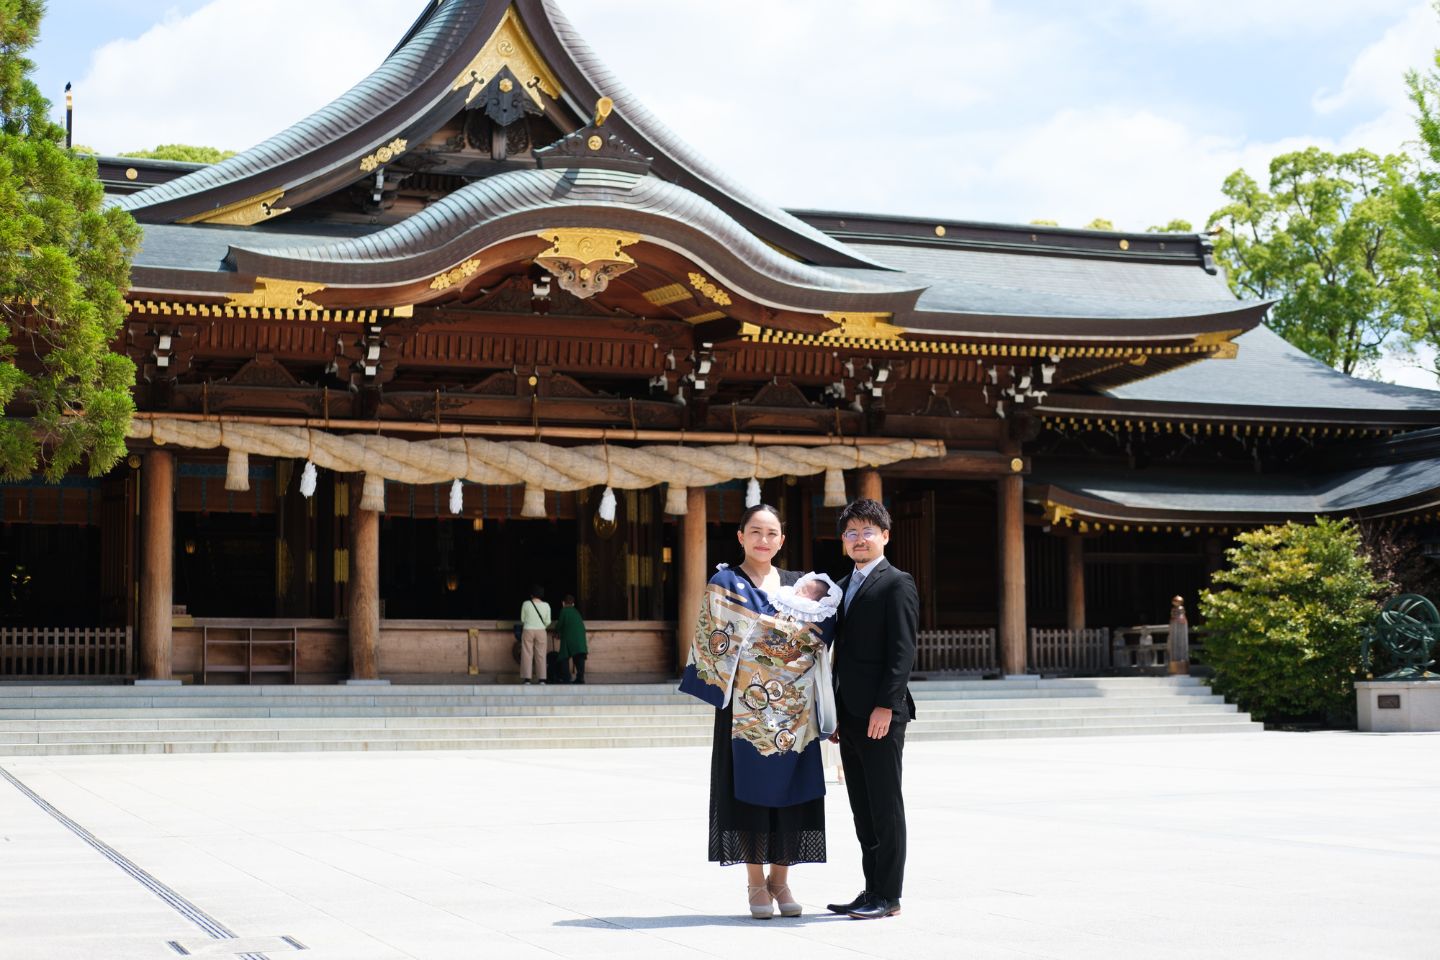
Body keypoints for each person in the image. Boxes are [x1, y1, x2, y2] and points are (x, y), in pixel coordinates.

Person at [678, 504, 837, 920]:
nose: (763, 540)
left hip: (795, 713)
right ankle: (754, 884)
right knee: (747, 795)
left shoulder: (802, 586)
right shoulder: (725, 583)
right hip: (745, 712)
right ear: (741, 537)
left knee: (793, 797)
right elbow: (713, 635)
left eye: (772, 533)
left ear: (782, 540)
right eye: (756, 532)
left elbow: (821, 636)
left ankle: (781, 881)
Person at [826, 498, 918, 921]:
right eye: (851, 532)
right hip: (849, 713)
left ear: (885, 536)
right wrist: (835, 711)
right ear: (843, 541)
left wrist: (886, 705)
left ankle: (890, 895)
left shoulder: (897, 582)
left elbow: (902, 652)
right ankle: (871, 889)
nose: (858, 539)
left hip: (882, 714)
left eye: (867, 531)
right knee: (862, 807)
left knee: (885, 805)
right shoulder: (842, 586)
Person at [517, 586, 552, 684]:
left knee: (527, 654)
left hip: (528, 629)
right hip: (541, 630)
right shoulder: (546, 605)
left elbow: (523, 619)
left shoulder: (526, 604)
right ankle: (542, 679)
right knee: (541, 654)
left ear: (531, 594)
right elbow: (548, 621)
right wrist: (541, 625)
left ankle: (527, 679)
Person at [553, 594, 588, 684]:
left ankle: (566, 678)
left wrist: (556, 631)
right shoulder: (576, 612)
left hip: (569, 639)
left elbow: (560, 624)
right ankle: (580, 678)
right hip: (580, 639)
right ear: (573, 604)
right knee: (579, 658)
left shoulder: (564, 611)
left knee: (564, 656)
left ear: (563, 603)